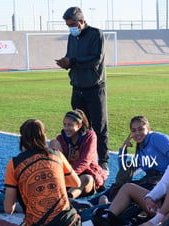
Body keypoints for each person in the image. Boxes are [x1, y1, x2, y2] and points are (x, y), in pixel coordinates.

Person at [3, 119, 81, 226]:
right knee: (63, 213)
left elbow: (8, 209)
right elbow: (76, 182)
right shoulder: (57, 155)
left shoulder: (14, 164)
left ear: (21, 139)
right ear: (44, 136)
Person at [55, 6, 109, 173]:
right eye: (68, 25)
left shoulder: (96, 34)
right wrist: (65, 63)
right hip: (77, 89)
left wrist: (72, 62)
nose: (70, 28)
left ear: (82, 21)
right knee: (79, 128)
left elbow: (95, 59)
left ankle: (103, 162)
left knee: (99, 127)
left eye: (72, 24)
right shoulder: (72, 37)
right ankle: (81, 159)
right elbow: (72, 59)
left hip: (95, 89)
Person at [90, 115, 169, 205]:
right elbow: (124, 169)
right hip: (151, 179)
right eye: (134, 130)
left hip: (165, 179)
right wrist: (123, 149)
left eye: (140, 129)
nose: (137, 133)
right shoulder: (141, 149)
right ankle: (92, 203)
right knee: (123, 185)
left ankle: (111, 204)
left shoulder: (157, 138)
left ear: (148, 129)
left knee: (136, 189)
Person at [49, 109, 107, 199]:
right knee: (53, 143)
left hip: (83, 175)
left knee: (86, 179)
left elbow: (85, 161)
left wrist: (69, 176)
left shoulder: (90, 136)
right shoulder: (61, 138)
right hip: (66, 177)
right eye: (65, 125)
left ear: (79, 125)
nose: (66, 128)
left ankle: (68, 199)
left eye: (70, 125)